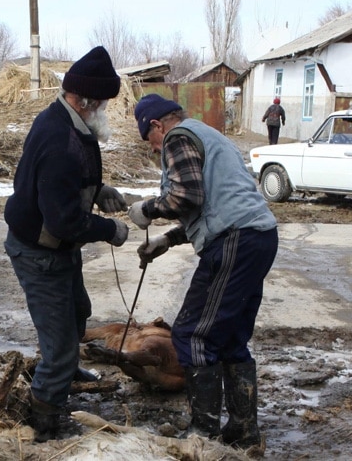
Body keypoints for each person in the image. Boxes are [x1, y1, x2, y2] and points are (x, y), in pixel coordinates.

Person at [127, 94, 278, 453]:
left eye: (149, 140)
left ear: (156, 125)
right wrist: (167, 240)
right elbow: (215, 202)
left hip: (234, 241)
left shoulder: (177, 138)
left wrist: (146, 209)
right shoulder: (208, 135)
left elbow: (187, 196)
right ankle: (243, 430)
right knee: (230, 338)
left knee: (193, 335)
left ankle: (203, 433)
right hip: (258, 237)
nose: (152, 150)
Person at [3, 46, 131, 442]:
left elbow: (63, 187)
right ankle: (45, 418)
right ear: (87, 100)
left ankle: (65, 373)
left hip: (59, 245)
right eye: (105, 105)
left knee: (78, 312)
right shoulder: (60, 139)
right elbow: (62, 218)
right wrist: (109, 229)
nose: (106, 112)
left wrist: (97, 190)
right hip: (40, 250)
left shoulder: (71, 122)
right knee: (58, 345)